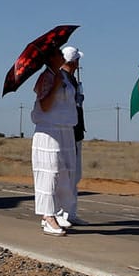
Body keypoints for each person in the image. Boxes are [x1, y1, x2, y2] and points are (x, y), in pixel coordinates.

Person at [29, 46, 79, 235]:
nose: (62, 57)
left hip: (65, 129)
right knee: (50, 173)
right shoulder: (47, 77)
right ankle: (47, 216)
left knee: (64, 172)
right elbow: (45, 104)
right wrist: (56, 83)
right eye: (58, 54)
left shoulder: (63, 76)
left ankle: (56, 212)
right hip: (49, 130)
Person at [61, 45, 85, 224]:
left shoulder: (73, 81)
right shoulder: (62, 80)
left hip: (77, 131)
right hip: (68, 131)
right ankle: (61, 212)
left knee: (75, 174)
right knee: (66, 173)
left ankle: (71, 212)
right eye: (77, 60)